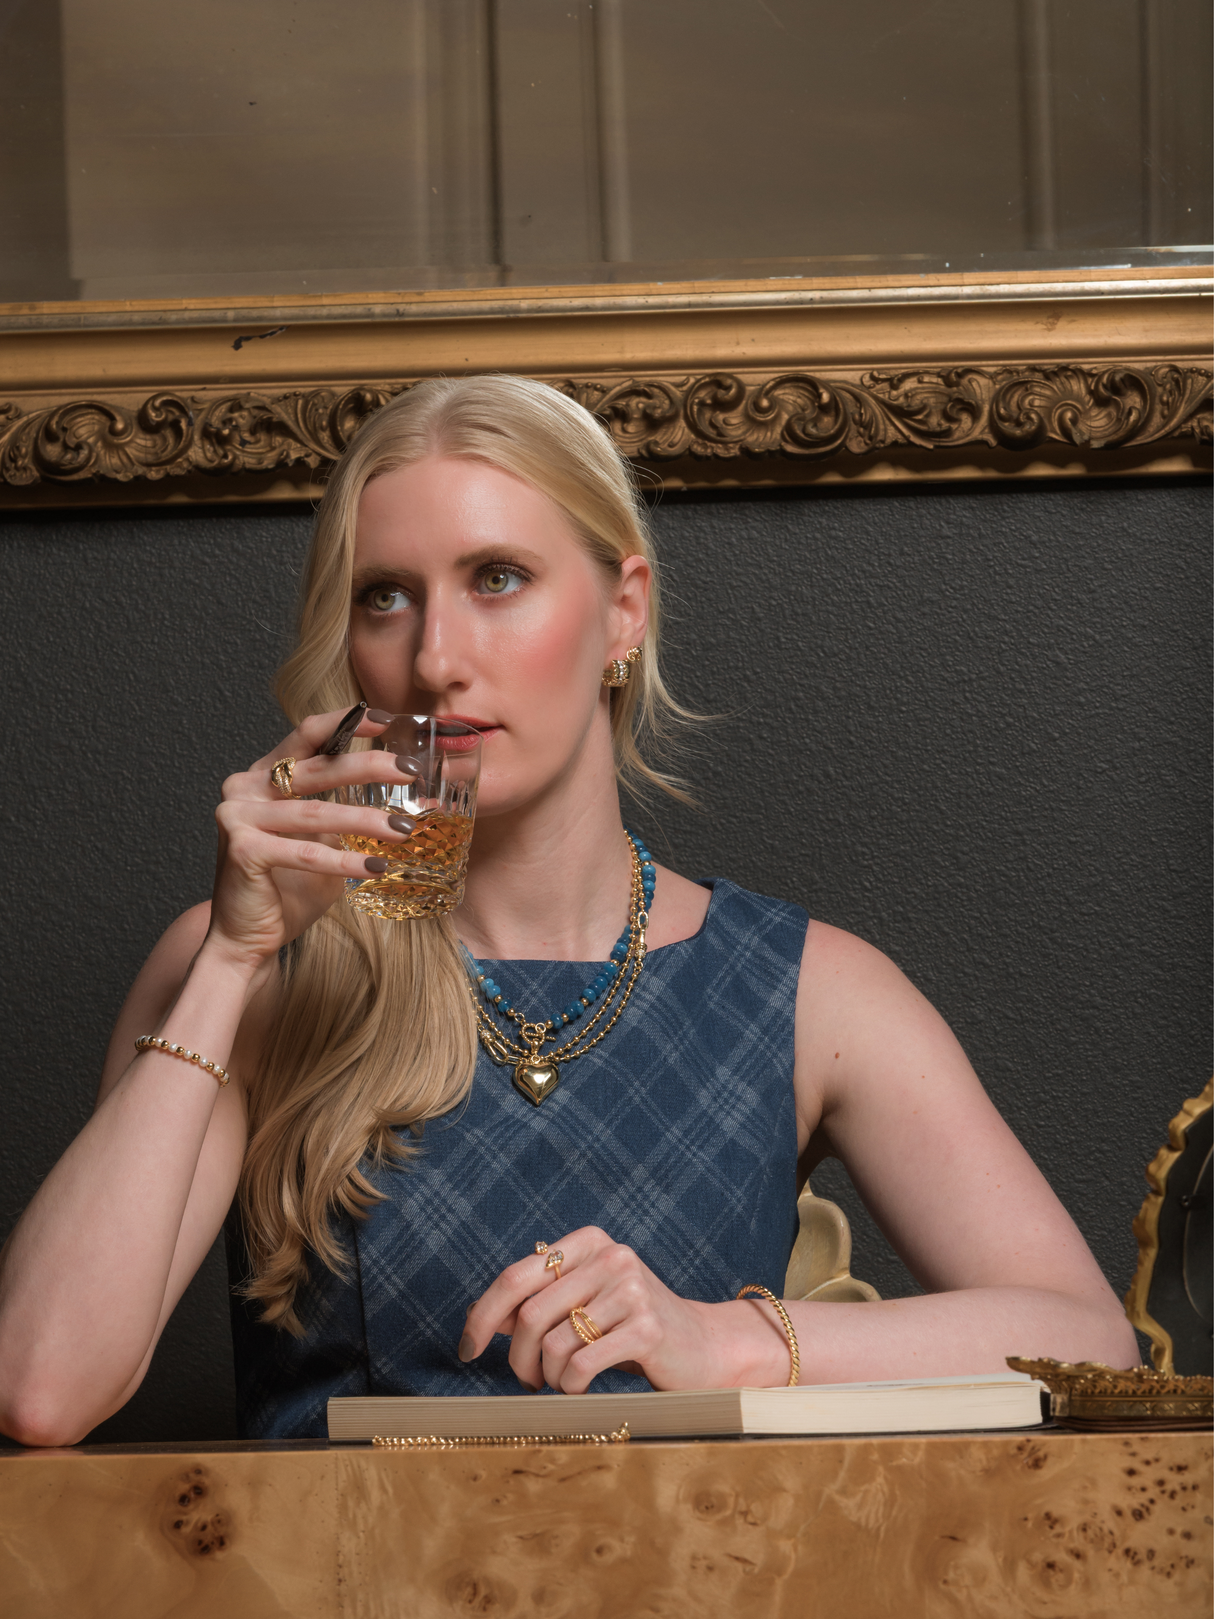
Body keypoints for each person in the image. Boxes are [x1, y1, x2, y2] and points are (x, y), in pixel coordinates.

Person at [0, 376, 1136, 1445]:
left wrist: (728, 1339)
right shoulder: (250, 968)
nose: (435, 657)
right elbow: (41, 1387)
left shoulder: (810, 988)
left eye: (496, 577)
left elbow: (1091, 1345)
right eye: (385, 596)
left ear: (621, 614)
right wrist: (231, 956)